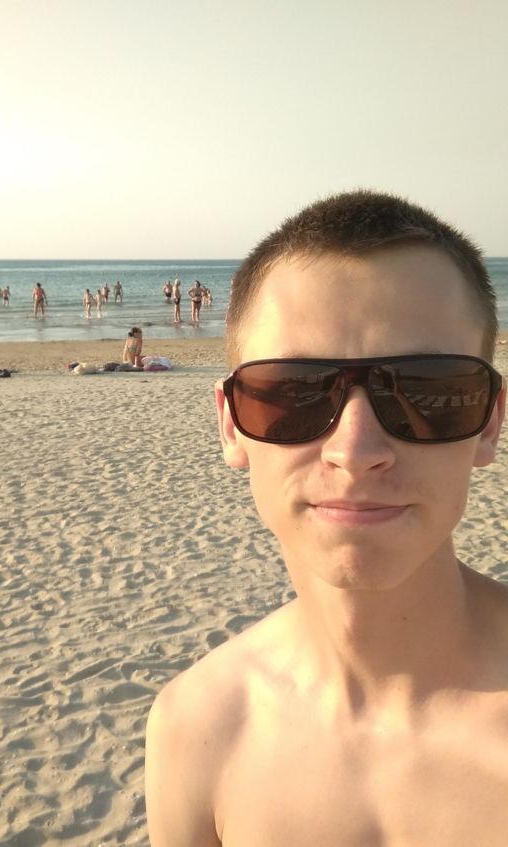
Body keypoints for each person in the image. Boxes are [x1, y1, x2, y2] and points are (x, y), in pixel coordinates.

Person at [145, 190, 508, 845]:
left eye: (429, 391)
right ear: (230, 425)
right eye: (292, 391)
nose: (355, 450)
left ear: (489, 422)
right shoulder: (196, 729)